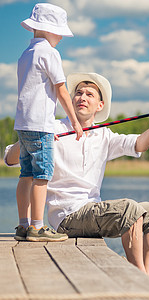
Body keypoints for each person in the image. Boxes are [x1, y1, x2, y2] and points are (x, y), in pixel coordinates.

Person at [5, 72, 149, 280]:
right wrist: (37, 138)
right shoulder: (53, 128)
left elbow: (139, 144)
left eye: (89, 94)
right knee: (129, 208)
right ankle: (137, 275)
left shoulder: (104, 135)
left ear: (100, 105)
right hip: (67, 217)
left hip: (93, 211)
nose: (82, 97)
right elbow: (9, 158)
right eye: (78, 93)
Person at [14, 3, 83, 242]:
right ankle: (38, 226)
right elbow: (62, 90)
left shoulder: (25, 55)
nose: (62, 37)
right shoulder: (49, 53)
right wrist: (74, 121)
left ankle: (23, 225)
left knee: (26, 174)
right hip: (40, 124)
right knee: (42, 175)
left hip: (23, 124)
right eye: (60, 33)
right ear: (49, 30)